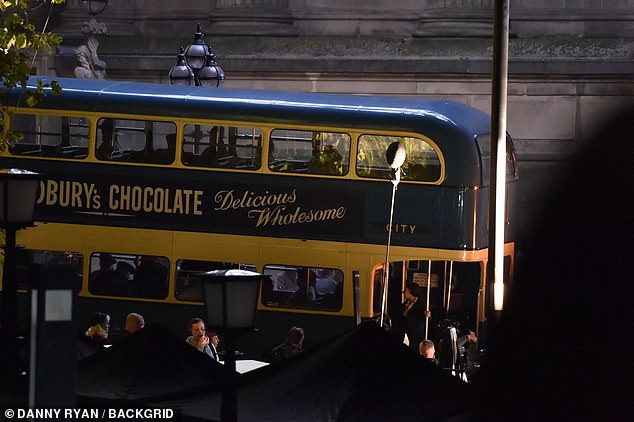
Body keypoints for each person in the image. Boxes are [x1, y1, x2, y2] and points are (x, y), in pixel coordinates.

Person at [400, 281, 429, 353]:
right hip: (406, 333)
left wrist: (428, 315)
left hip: (416, 334)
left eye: (405, 290)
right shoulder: (405, 303)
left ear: (411, 291)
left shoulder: (421, 303)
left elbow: (426, 316)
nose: (403, 292)